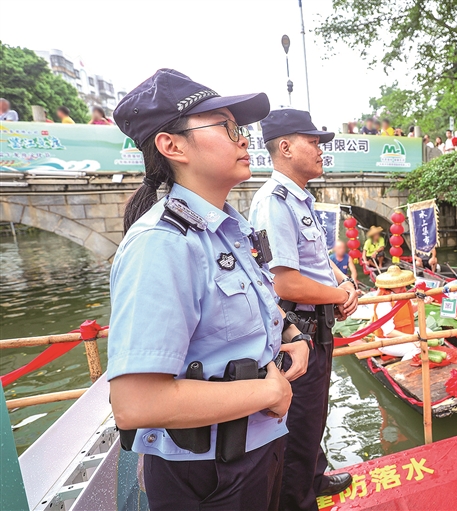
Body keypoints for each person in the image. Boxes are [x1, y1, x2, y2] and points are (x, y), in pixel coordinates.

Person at [108, 69, 309, 510]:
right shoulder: (161, 244)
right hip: (209, 473)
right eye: (228, 127)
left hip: (257, 447)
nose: (244, 140)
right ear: (172, 145)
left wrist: (292, 337)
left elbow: (249, 310)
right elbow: (135, 403)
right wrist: (268, 392)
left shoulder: (225, 229)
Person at [248, 108, 359, 510]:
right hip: (297, 329)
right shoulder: (274, 202)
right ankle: (298, 499)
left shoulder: (299, 199)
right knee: (297, 423)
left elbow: (317, 260)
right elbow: (285, 282)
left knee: (313, 414)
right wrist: (337, 296)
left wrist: (343, 284)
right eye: (312, 142)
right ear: (284, 147)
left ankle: (314, 476)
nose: (320, 150)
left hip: (317, 323)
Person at [371, 265, 421, 361]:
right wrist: (412, 338)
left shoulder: (401, 294)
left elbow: (411, 310)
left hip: (404, 333)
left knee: (429, 333)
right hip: (388, 341)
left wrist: (422, 303)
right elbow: (389, 332)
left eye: (403, 285)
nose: (403, 288)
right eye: (399, 286)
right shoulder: (384, 303)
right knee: (417, 348)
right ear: (390, 287)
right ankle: (403, 371)